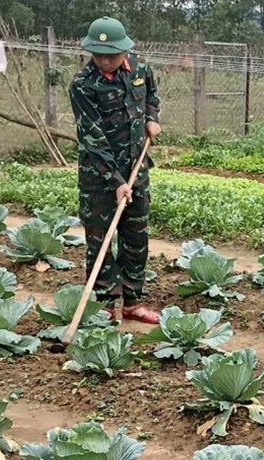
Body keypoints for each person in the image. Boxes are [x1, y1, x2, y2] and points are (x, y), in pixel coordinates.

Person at [69, 17, 162, 325]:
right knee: (101, 241)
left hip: (136, 168)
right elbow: (92, 139)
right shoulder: (83, 85)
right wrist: (116, 182)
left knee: (136, 237)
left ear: (124, 50)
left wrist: (151, 118)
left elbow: (151, 95)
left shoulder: (140, 68)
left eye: (111, 55)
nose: (104, 61)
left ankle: (133, 303)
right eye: (98, 55)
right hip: (99, 177)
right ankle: (105, 306)